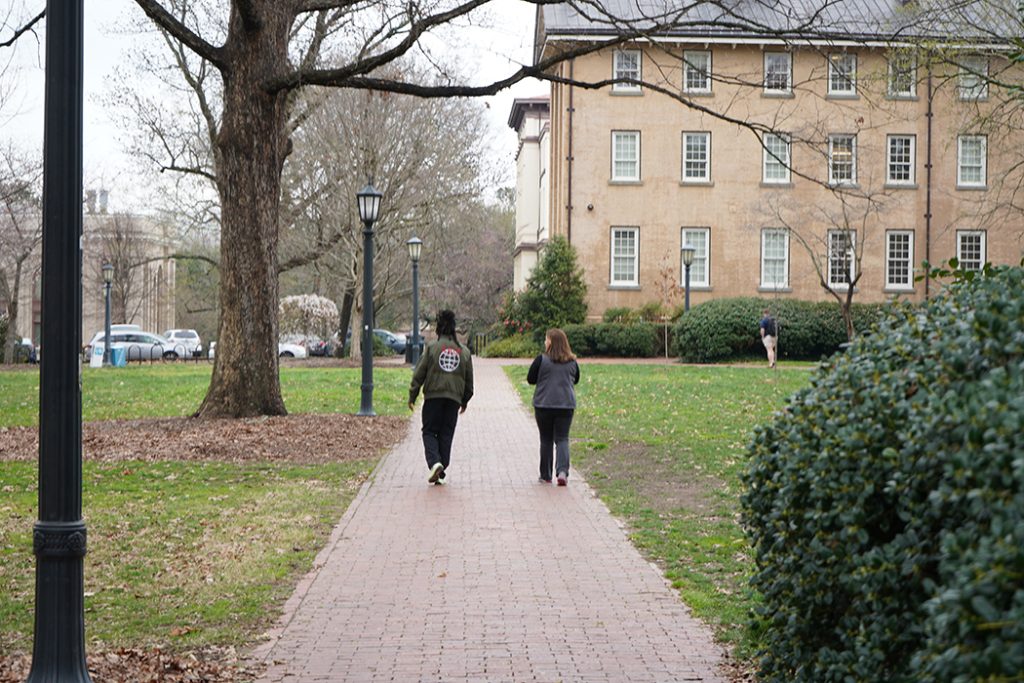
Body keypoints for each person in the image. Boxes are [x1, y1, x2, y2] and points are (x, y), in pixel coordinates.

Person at [409, 310, 474, 485]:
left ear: (438, 328)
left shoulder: (432, 348)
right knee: (446, 433)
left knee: (429, 431)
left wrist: (413, 395)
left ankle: (435, 463)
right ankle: (441, 468)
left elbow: (419, 373)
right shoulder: (464, 352)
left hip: (433, 397)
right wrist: (465, 400)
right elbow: (469, 382)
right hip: (453, 399)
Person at [527, 328, 580, 486]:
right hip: (565, 405)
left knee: (546, 439)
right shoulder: (572, 362)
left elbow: (530, 378)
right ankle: (562, 471)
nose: (545, 342)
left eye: (546, 339)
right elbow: (576, 379)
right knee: (562, 439)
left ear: (551, 342)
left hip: (544, 404)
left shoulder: (541, 360)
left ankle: (546, 475)